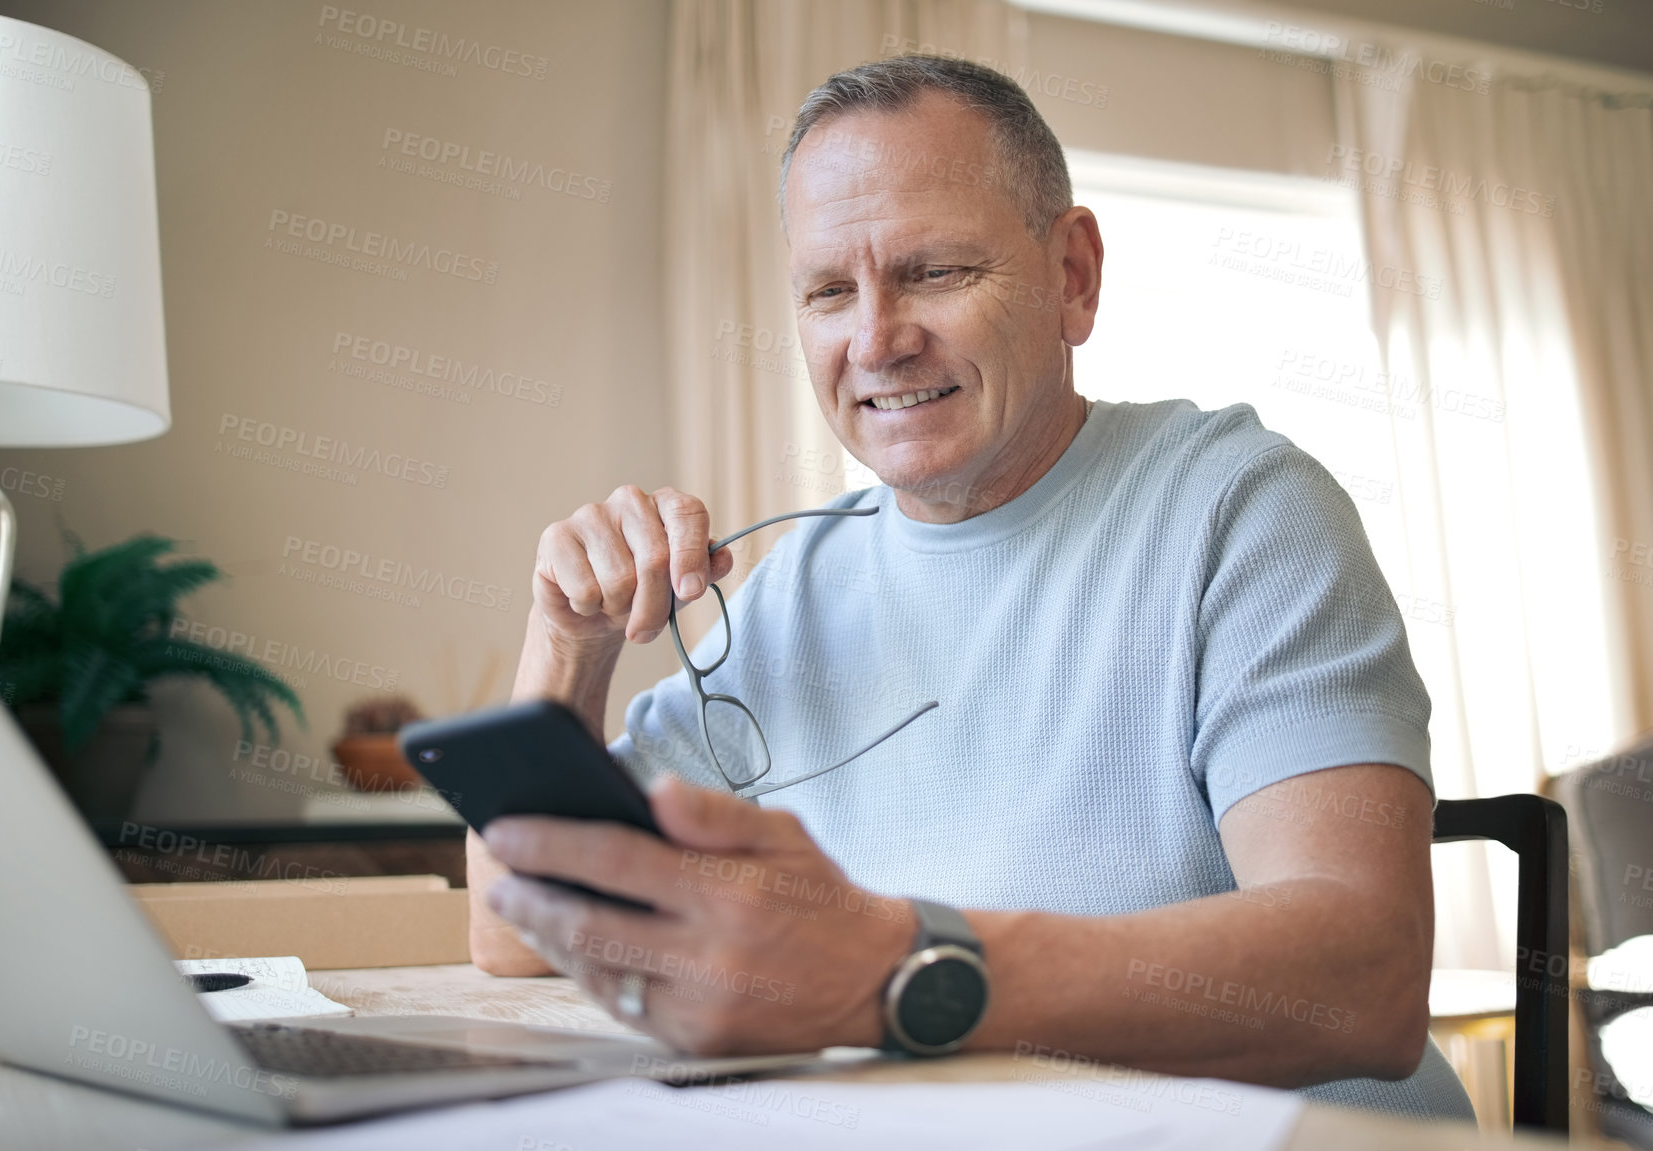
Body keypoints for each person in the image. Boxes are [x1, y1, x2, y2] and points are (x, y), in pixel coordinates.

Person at [465, 54, 1474, 1120]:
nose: (875, 340)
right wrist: (565, 642)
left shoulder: (1240, 508)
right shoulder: (788, 589)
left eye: (935, 271)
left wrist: (895, 968)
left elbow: (1364, 977)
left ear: (1071, 276)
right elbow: (509, 926)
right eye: (826, 291)